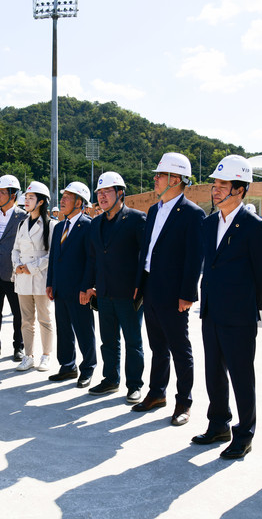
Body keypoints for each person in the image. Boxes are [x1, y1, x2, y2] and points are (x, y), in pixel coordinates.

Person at [191, 155, 262, 459]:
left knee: (241, 376)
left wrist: (253, 306)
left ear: (239, 189)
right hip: (211, 311)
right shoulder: (209, 223)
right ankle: (218, 424)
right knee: (214, 372)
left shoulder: (254, 227)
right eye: (214, 184)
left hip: (239, 315)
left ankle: (245, 433)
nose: (215, 190)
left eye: (222, 185)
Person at [132, 152, 204, 426]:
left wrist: (187, 294)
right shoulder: (154, 210)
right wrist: (139, 284)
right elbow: (146, 251)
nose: (155, 179)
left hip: (174, 294)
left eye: (160, 175)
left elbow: (194, 258)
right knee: (157, 346)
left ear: (175, 179)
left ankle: (184, 402)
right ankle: (157, 393)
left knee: (180, 349)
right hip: (151, 287)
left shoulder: (192, 214)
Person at [82, 171, 146, 404]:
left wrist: (141, 286)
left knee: (133, 341)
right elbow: (92, 258)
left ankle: (135, 385)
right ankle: (110, 379)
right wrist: (87, 286)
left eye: (107, 191)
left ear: (120, 193)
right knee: (108, 340)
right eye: (99, 192)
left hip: (129, 294)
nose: (102, 196)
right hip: (104, 292)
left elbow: (145, 257)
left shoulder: (137, 219)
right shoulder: (96, 223)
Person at [46, 181, 96, 388]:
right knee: (64, 330)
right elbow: (54, 257)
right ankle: (67, 366)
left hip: (79, 290)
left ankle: (88, 369)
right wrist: (50, 282)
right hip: (60, 288)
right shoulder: (59, 227)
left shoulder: (89, 225)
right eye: (63, 196)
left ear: (79, 202)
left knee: (84, 331)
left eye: (68, 197)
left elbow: (91, 260)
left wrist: (87, 287)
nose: (62, 200)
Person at [11, 181, 56, 372]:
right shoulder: (22, 224)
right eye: (26, 197)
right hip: (22, 278)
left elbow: (52, 254)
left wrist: (31, 267)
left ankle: (46, 355)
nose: (27, 201)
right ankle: (28, 356)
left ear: (41, 202)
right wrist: (17, 266)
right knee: (26, 320)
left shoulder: (51, 225)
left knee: (44, 319)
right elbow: (15, 249)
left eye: (31, 198)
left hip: (40, 277)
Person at [0, 175, 27, 361]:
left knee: (18, 312)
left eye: (2, 192)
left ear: (13, 195)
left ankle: (19, 347)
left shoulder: (23, 216)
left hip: (13, 272)